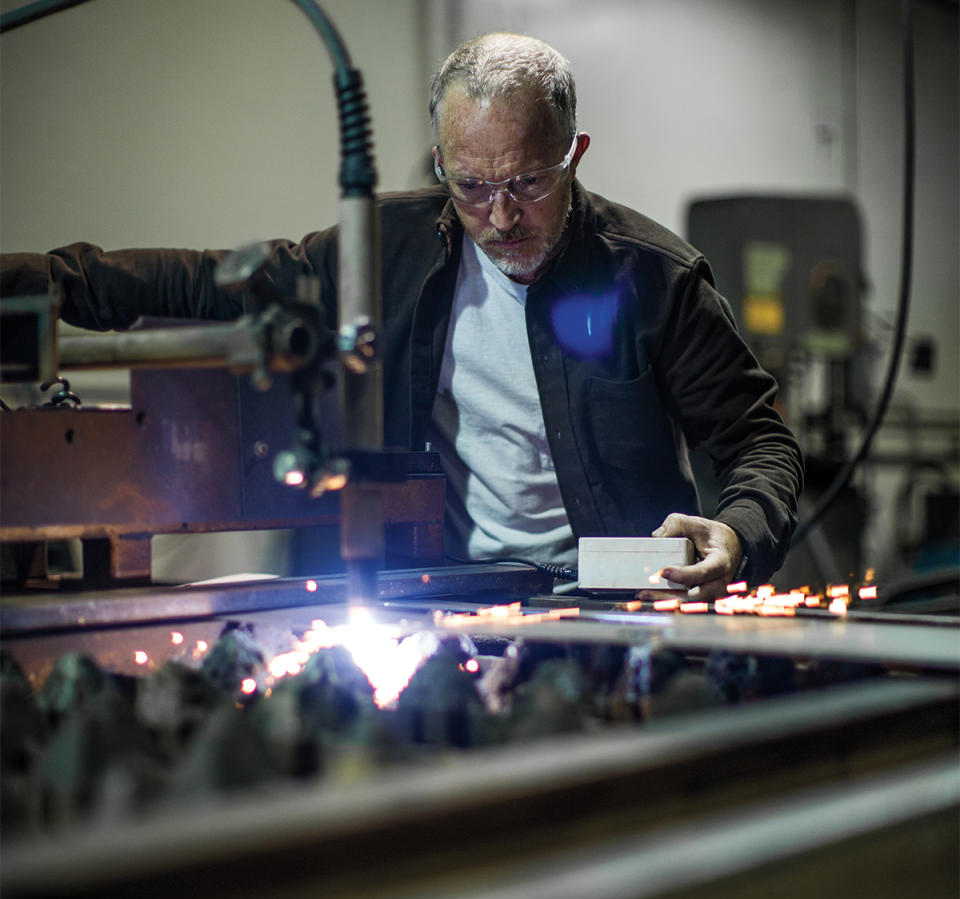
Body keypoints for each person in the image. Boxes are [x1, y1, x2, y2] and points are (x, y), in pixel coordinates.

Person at [1, 32, 803, 598]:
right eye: (471, 185)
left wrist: (734, 532)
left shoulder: (655, 277)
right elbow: (208, 283)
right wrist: (43, 285)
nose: (499, 216)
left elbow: (757, 438)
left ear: (574, 154)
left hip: (622, 599)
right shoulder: (389, 250)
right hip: (450, 591)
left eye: (527, 183)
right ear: (440, 163)